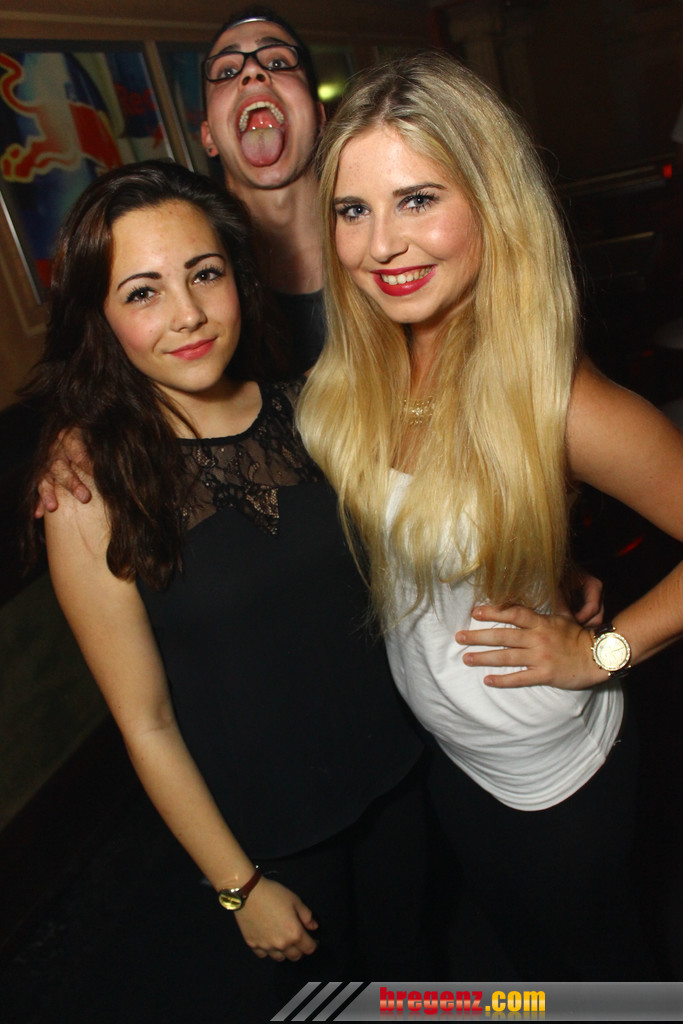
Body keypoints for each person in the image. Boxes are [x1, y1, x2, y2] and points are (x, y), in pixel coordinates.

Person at [297, 51, 683, 980]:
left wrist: (602, 653)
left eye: (417, 199)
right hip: (447, 755)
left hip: (551, 780)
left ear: (491, 202)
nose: (381, 245)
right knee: (519, 966)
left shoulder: (559, 399)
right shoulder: (366, 368)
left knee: (597, 983)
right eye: (353, 210)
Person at [23, 161, 430, 1012]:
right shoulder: (88, 488)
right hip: (273, 846)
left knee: (421, 989)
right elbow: (146, 722)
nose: (187, 314)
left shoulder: (314, 409)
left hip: (404, 784)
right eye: (142, 292)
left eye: (204, 274)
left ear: (238, 279)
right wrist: (237, 887)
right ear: (100, 317)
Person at [201, 6, 327, 371]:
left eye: (277, 63)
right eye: (227, 72)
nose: (252, 72)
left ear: (320, 119)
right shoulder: (197, 292)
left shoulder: (384, 247)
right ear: (208, 136)